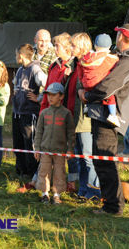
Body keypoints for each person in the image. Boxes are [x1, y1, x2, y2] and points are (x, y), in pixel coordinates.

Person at [79, 23, 129, 215]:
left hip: (109, 117)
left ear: (121, 38)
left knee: (105, 160)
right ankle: (111, 203)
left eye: (117, 36)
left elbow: (110, 86)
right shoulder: (123, 58)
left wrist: (87, 96)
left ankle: (113, 206)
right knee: (102, 160)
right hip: (102, 113)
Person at [41, 32, 80, 192]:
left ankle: (72, 181)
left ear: (66, 48)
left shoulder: (74, 66)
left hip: (66, 113)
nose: (54, 48)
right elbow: (48, 88)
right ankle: (45, 180)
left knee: (70, 147)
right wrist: (44, 108)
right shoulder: (54, 65)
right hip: (50, 112)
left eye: (57, 45)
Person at [71, 32, 102, 200]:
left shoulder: (91, 63)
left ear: (82, 46)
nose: (71, 48)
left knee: (88, 157)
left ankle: (94, 192)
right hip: (78, 117)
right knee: (81, 158)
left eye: (74, 45)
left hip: (88, 118)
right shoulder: (78, 64)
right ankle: (83, 190)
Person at [34, 83, 76, 204]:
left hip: (60, 151)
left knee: (59, 172)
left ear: (61, 96)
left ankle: (57, 194)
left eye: (53, 95)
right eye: (48, 95)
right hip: (45, 150)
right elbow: (39, 132)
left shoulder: (66, 114)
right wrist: (37, 148)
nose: (50, 98)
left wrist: (70, 149)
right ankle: (44, 194)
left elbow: (71, 133)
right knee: (44, 171)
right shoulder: (44, 113)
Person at [13, 44, 47, 177]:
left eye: (16, 55)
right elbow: (16, 83)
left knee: (29, 142)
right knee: (18, 142)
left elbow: (47, 83)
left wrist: (39, 98)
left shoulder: (35, 69)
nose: (15, 57)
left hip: (29, 112)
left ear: (21, 55)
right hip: (17, 111)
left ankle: (32, 172)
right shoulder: (21, 69)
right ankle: (21, 169)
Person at [79, 34, 120, 127]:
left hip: (87, 83)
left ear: (95, 45)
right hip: (98, 82)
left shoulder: (89, 57)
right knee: (110, 95)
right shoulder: (109, 57)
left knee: (89, 93)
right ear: (109, 46)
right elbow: (116, 62)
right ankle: (113, 115)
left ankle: (87, 107)